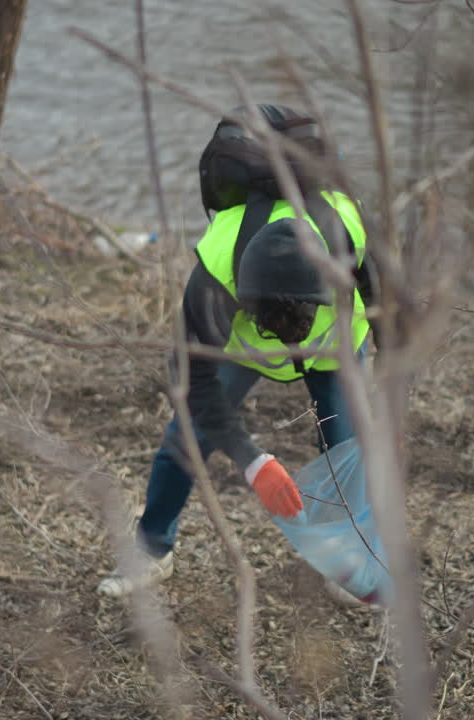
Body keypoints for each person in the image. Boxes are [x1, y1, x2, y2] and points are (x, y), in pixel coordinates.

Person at [97, 104, 379, 599]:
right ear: (243, 296)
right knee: (185, 441)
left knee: (347, 447)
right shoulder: (216, 271)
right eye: (274, 321)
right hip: (240, 352)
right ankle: (153, 549)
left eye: (297, 319)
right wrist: (252, 461)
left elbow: (386, 305)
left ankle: (348, 557)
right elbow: (193, 384)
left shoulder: (342, 230)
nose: (287, 336)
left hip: (334, 348)